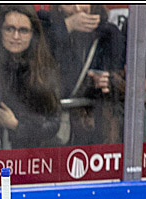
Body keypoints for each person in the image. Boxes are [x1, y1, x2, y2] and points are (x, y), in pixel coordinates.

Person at [40, 4, 126, 145]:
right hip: (53, 121)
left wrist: (107, 81)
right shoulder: (46, 23)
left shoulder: (109, 34)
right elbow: (38, 53)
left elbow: (118, 77)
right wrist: (67, 26)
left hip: (91, 124)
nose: (78, 9)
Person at [0, 6, 62, 149]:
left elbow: (53, 123)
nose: (16, 36)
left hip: (31, 154)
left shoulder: (43, 66)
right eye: (9, 29)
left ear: (33, 34)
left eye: (23, 30)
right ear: (0, 31)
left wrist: (16, 125)